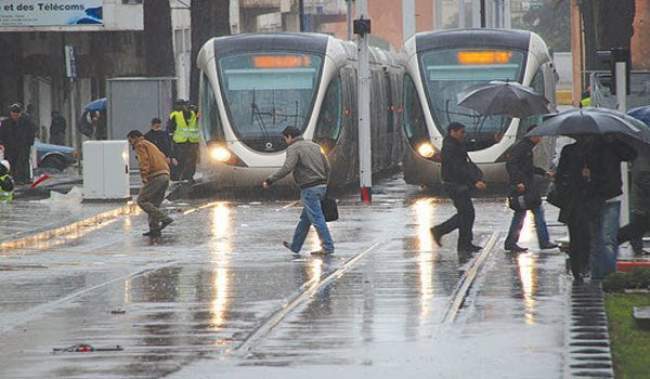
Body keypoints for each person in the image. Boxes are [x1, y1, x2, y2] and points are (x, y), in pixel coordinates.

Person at [262, 126, 334, 256]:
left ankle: (328, 247)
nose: (286, 141)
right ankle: (295, 246)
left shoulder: (293, 148)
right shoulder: (315, 146)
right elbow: (327, 166)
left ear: (289, 136)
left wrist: (270, 180)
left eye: (285, 138)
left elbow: (287, 168)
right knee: (305, 219)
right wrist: (325, 183)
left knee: (317, 219)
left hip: (309, 188)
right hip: (321, 185)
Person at [431, 122, 486, 253]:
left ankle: (464, 244)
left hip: (458, 184)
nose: (463, 135)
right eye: (461, 132)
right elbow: (458, 168)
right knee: (466, 214)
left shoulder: (455, 144)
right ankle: (439, 230)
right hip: (455, 185)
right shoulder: (450, 147)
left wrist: (492, 140)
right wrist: (474, 182)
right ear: (453, 132)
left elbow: (472, 145)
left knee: (467, 214)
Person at [588, 135, 636, 280]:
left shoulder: (612, 146)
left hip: (605, 197)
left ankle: (606, 275)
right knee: (605, 239)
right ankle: (606, 274)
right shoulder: (593, 148)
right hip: (603, 196)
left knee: (602, 239)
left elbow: (631, 154)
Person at [504, 127, 558, 252]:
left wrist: (542, 172)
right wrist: (518, 182)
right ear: (532, 135)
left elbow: (527, 167)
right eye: (539, 136)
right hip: (524, 186)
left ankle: (512, 242)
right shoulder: (522, 147)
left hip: (527, 185)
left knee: (522, 213)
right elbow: (511, 165)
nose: (540, 138)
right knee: (534, 211)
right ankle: (543, 241)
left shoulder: (526, 147)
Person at [555, 136, 598, 283]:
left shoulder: (593, 152)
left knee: (582, 235)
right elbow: (560, 176)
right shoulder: (570, 151)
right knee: (580, 235)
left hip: (583, 199)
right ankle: (579, 268)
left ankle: (581, 267)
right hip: (576, 200)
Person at [127, 130, 174, 237]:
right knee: (154, 204)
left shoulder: (140, 145)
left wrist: (144, 175)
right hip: (165, 175)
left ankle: (165, 218)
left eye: (130, 140)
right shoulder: (150, 144)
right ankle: (155, 229)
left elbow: (144, 161)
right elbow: (162, 156)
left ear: (134, 138)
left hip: (156, 175)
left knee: (142, 201)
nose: (130, 143)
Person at [618, 152, 650, 255]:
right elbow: (644, 180)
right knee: (638, 226)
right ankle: (614, 239)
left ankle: (615, 239)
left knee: (639, 226)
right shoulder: (643, 159)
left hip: (643, 203)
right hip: (644, 203)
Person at [0, 103, 35, 184]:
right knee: (11, 163)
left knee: (23, 162)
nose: (15, 116)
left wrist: (29, 143)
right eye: (13, 114)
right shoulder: (6, 123)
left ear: (20, 113)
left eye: (17, 114)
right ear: (11, 113)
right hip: (10, 147)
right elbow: (2, 134)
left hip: (23, 146)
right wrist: (2, 143)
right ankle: (12, 179)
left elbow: (31, 133)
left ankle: (24, 178)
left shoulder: (26, 122)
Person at [168, 99, 199, 183]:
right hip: (180, 142)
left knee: (191, 160)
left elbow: (200, 117)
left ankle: (189, 176)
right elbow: (170, 128)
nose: (182, 107)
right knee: (181, 160)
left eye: (183, 105)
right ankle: (180, 177)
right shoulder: (175, 115)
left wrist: (195, 109)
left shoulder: (193, 113)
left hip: (192, 141)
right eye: (180, 105)